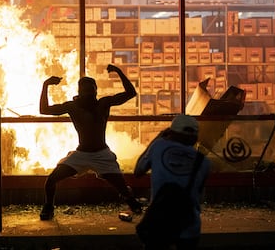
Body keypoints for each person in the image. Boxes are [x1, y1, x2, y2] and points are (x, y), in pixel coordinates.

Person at [39, 64, 142, 220]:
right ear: (80, 92)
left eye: (91, 90)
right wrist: (45, 85)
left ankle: (131, 201)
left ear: (96, 91)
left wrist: (119, 72)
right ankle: (48, 207)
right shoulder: (73, 106)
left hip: (102, 155)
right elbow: (44, 110)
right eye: (85, 90)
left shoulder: (103, 103)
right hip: (81, 154)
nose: (88, 93)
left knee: (123, 189)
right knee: (51, 180)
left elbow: (131, 93)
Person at [134, 114, 211, 250]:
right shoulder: (203, 162)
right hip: (189, 225)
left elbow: (138, 171)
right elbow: (200, 195)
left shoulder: (159, 146)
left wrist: (158, 138)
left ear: (171, 132)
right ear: (195, 137)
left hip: (160, 223)